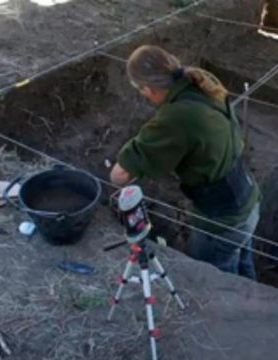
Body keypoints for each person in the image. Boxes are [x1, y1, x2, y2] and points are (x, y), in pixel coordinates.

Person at [109, 45, 260, 279]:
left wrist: (141, 144)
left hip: (221, 221)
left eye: (142, 91)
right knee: (244, 267)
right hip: (247, 200)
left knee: (219, 282)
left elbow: (118, 176)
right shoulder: (200, 80)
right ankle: (255, 306)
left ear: (147, 88)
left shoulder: (175, 118)